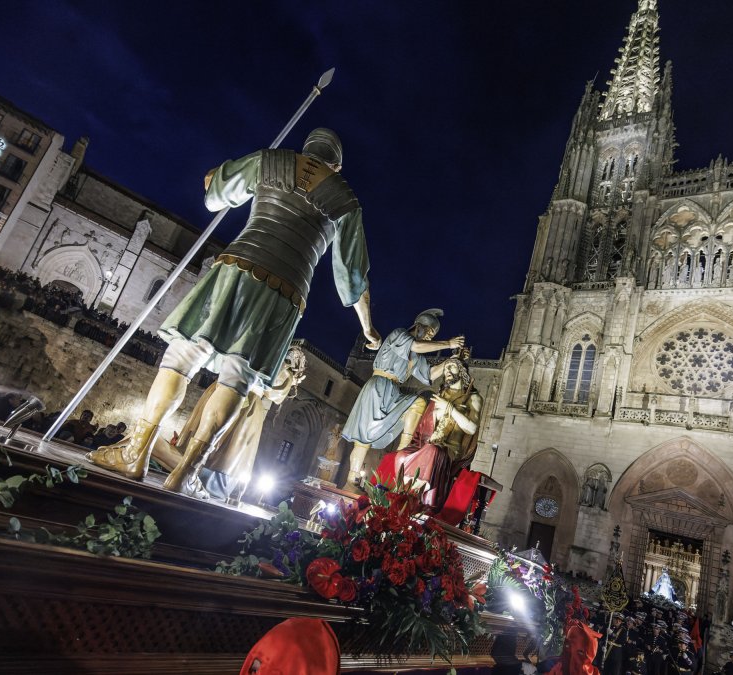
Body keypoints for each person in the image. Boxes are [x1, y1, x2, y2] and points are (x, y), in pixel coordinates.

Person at [88, 128, 381, 494]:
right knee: (237, 379)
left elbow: (215, 195)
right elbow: (353, 280)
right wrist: (368, 328)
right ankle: (185, 473)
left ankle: (136, 451)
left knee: (181, 357)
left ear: (307, 149)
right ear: (336, 165)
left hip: (238, 266)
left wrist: (216, 176)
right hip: (286, 292)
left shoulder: (271, 160)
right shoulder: (345, 199)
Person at [152, 345, 307, 501]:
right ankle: (156, 446)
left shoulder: (263, 349)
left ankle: (152, 444)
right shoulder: (285, 367)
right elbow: (275, 394)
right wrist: (293, 380)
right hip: (246, 400)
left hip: (221, 388)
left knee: (207, 440)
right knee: (225, 457)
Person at [342, 309, 464, 484]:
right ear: (418, 327)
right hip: (378, 386)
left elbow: (430, 374)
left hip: (394, 391)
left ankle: (402, 454)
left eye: (432, 335)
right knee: (363, 440)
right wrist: (447, 343)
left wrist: (453, 360)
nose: (429, 337)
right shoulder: (399, 334)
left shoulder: (415, 356)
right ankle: (351, 479)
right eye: (429, 332)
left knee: (418, 402)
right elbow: (415, 346)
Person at [377, 354, 481, 511]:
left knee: (432, 451)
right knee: (402, 455)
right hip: (428, 442)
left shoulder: (473, 397)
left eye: (451, 367)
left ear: (462, 371)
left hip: (450, 448)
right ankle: (401, 495)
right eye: (445, 368)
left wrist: (450, 409)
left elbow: (472, 428)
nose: (447, 371)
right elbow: (425, 425)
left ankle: (417, 499)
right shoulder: (439, 396)